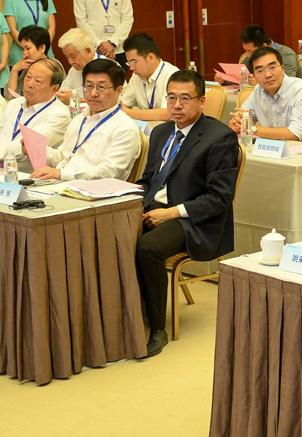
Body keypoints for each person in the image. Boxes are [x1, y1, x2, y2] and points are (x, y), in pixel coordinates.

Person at [134, 69, 239, 358]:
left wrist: (171, 213)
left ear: (201, 101)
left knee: (148, 248)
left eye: (185, 99)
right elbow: (148, 180)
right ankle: (129, 316)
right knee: (111, 234)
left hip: (195, 220)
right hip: (154, 209)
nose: (176, 105)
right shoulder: (161, 132)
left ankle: (157, 328)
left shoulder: (219, 137)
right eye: (171, 98)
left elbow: (219, 198)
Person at [30, 59, 141, 181]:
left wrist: (61, 174)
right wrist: (35, 149)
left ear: (118, 91)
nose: (93, 93)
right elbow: (64, 156)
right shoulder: (79, 119)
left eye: (101, 87)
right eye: (88, 86)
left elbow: (108, 172)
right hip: (61, 184)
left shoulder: (125, 128)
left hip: (93, 190)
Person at [0, 59, 70, 172]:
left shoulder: (60, 114)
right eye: (28, 77)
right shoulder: (15, 103)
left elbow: (25, 144)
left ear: (54, 88)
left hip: (28, 176)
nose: (29, 84)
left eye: (38, 81)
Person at [228, 47, 302, 144]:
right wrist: (236, 123)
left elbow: (294, 134)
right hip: (275, 150)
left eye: (272, 68)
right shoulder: (258, 91)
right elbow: (240, 120)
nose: (268, 75)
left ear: (283, 69)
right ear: (254, 76)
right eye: (260, 71)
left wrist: (252, 129)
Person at [4, 0, 56, 68]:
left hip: (45, 54)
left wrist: (43, 48)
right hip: (21, 56)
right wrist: (27, 49)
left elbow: (51, 27)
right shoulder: (10, 0)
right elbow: (12, 30)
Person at [121, 33, 180, 121]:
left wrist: (128, 112)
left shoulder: (172, 75)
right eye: (129, 63)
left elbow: (168, 113)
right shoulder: (136, 76)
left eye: (133, 62)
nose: (131, 68)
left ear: (151, 58)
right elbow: (123, 104)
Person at [56, 27, 112, 103]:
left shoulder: (109, 67)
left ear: (88, 51)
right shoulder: (74, 70)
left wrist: (76, 100)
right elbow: (62, 95)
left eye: (73, 56)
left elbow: (112, 103)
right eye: (67, 57)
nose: (70, 62)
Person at [8, 25, 52, 96]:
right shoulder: (28, 66)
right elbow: (11, 96)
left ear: (42, 48)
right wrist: (14, 70)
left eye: (28, 48)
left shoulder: (54, 67)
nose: (25, 53)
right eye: (23, 49)